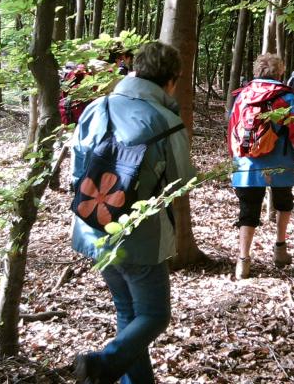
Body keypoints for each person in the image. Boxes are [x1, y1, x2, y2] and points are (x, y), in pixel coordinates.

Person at [71, 42, 195, 384]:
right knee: (154, 315)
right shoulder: (167, 121)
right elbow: (182, 181)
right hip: (141, 234)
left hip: (93, 225)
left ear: (136, 68)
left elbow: (75, 171)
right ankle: (102, 364)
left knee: (128, 311)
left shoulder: (96, 107)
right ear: (172, 79)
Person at [229, 54, 294, 280]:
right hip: (281, 162)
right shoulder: (287, 97)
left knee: (248, 210)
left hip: (247, 164)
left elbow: (232, 129)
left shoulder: (243, 95)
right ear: (280, 73)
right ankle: (280, 249)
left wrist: (236, 160)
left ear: (257, 71)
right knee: (284, 203)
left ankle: (243, 262)